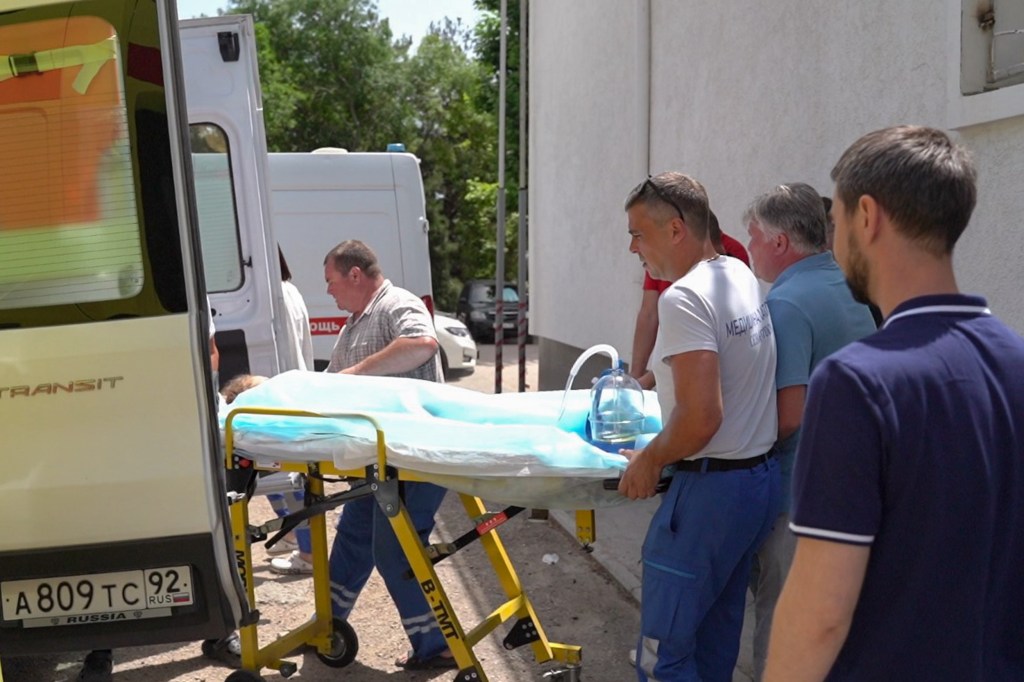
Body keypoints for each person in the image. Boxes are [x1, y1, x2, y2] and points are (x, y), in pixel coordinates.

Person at [765, 126, 1024, 681]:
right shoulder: (1016, 360)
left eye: (834, 223)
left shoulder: (856, 383)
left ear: (867, 216)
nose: (834, 244)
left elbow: (820, 615)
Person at [619, 173, 780, 681]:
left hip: (709, 491)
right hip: (754, 485)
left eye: (638, 234)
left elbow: (700, 416)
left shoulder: (683, 298)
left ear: (675, 230)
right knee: (714, 642)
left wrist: (649, 458)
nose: (632, 248)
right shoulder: (737, 272)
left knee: (662, 652)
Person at [742, 183, 876, 681]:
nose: (748, 246)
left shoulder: (788, 303)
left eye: (753, 235)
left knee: (784, 625)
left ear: (779, 243)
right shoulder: (850, 285)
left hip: (800, 492)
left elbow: (789, 414)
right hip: (856, 480)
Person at [322, 239, 454, 670]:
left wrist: (356, 375)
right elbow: (329, 382)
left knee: (396, 550)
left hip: (414, 455)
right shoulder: (353, 325)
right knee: (353, 539)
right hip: (376, 458)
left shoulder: (397, 304)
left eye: (331, 281)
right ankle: (325, 624)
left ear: (355, 275)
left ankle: (436, 645)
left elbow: (422, 344)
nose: (329, 292)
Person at [629, 210, 749, 390]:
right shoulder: (660, 258)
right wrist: (634, 377)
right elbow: (648, 314)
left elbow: (710, 341)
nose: (634, 248)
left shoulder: (732, 258)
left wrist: (646, 381)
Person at [267, 248, 316, 575]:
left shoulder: (274, 296)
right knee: (275, 474)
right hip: (296, 388)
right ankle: (292, 533)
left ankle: (309, 552)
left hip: (279, 393)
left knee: (284, 474)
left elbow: (278, 347)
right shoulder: (291, 290)